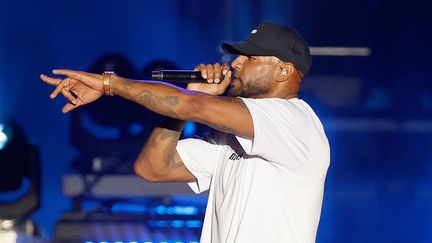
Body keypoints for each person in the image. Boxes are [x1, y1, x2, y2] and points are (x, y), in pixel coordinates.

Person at [41, 22, 330, 243]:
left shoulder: (294, 121)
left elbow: (193, 106)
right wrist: (183, 106)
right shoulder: (230, 137)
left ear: (284, 71)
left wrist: (110, 85)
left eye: (250, 58)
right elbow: (153, 168)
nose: (235, 63)